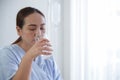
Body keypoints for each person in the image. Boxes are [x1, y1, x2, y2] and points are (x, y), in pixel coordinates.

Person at [0, 7, 63, 80]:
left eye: (42, 28)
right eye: (32, 29)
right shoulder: (7, 54)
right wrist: (29, 57)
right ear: (19, 30)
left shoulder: (47, 59)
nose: (39, 33)